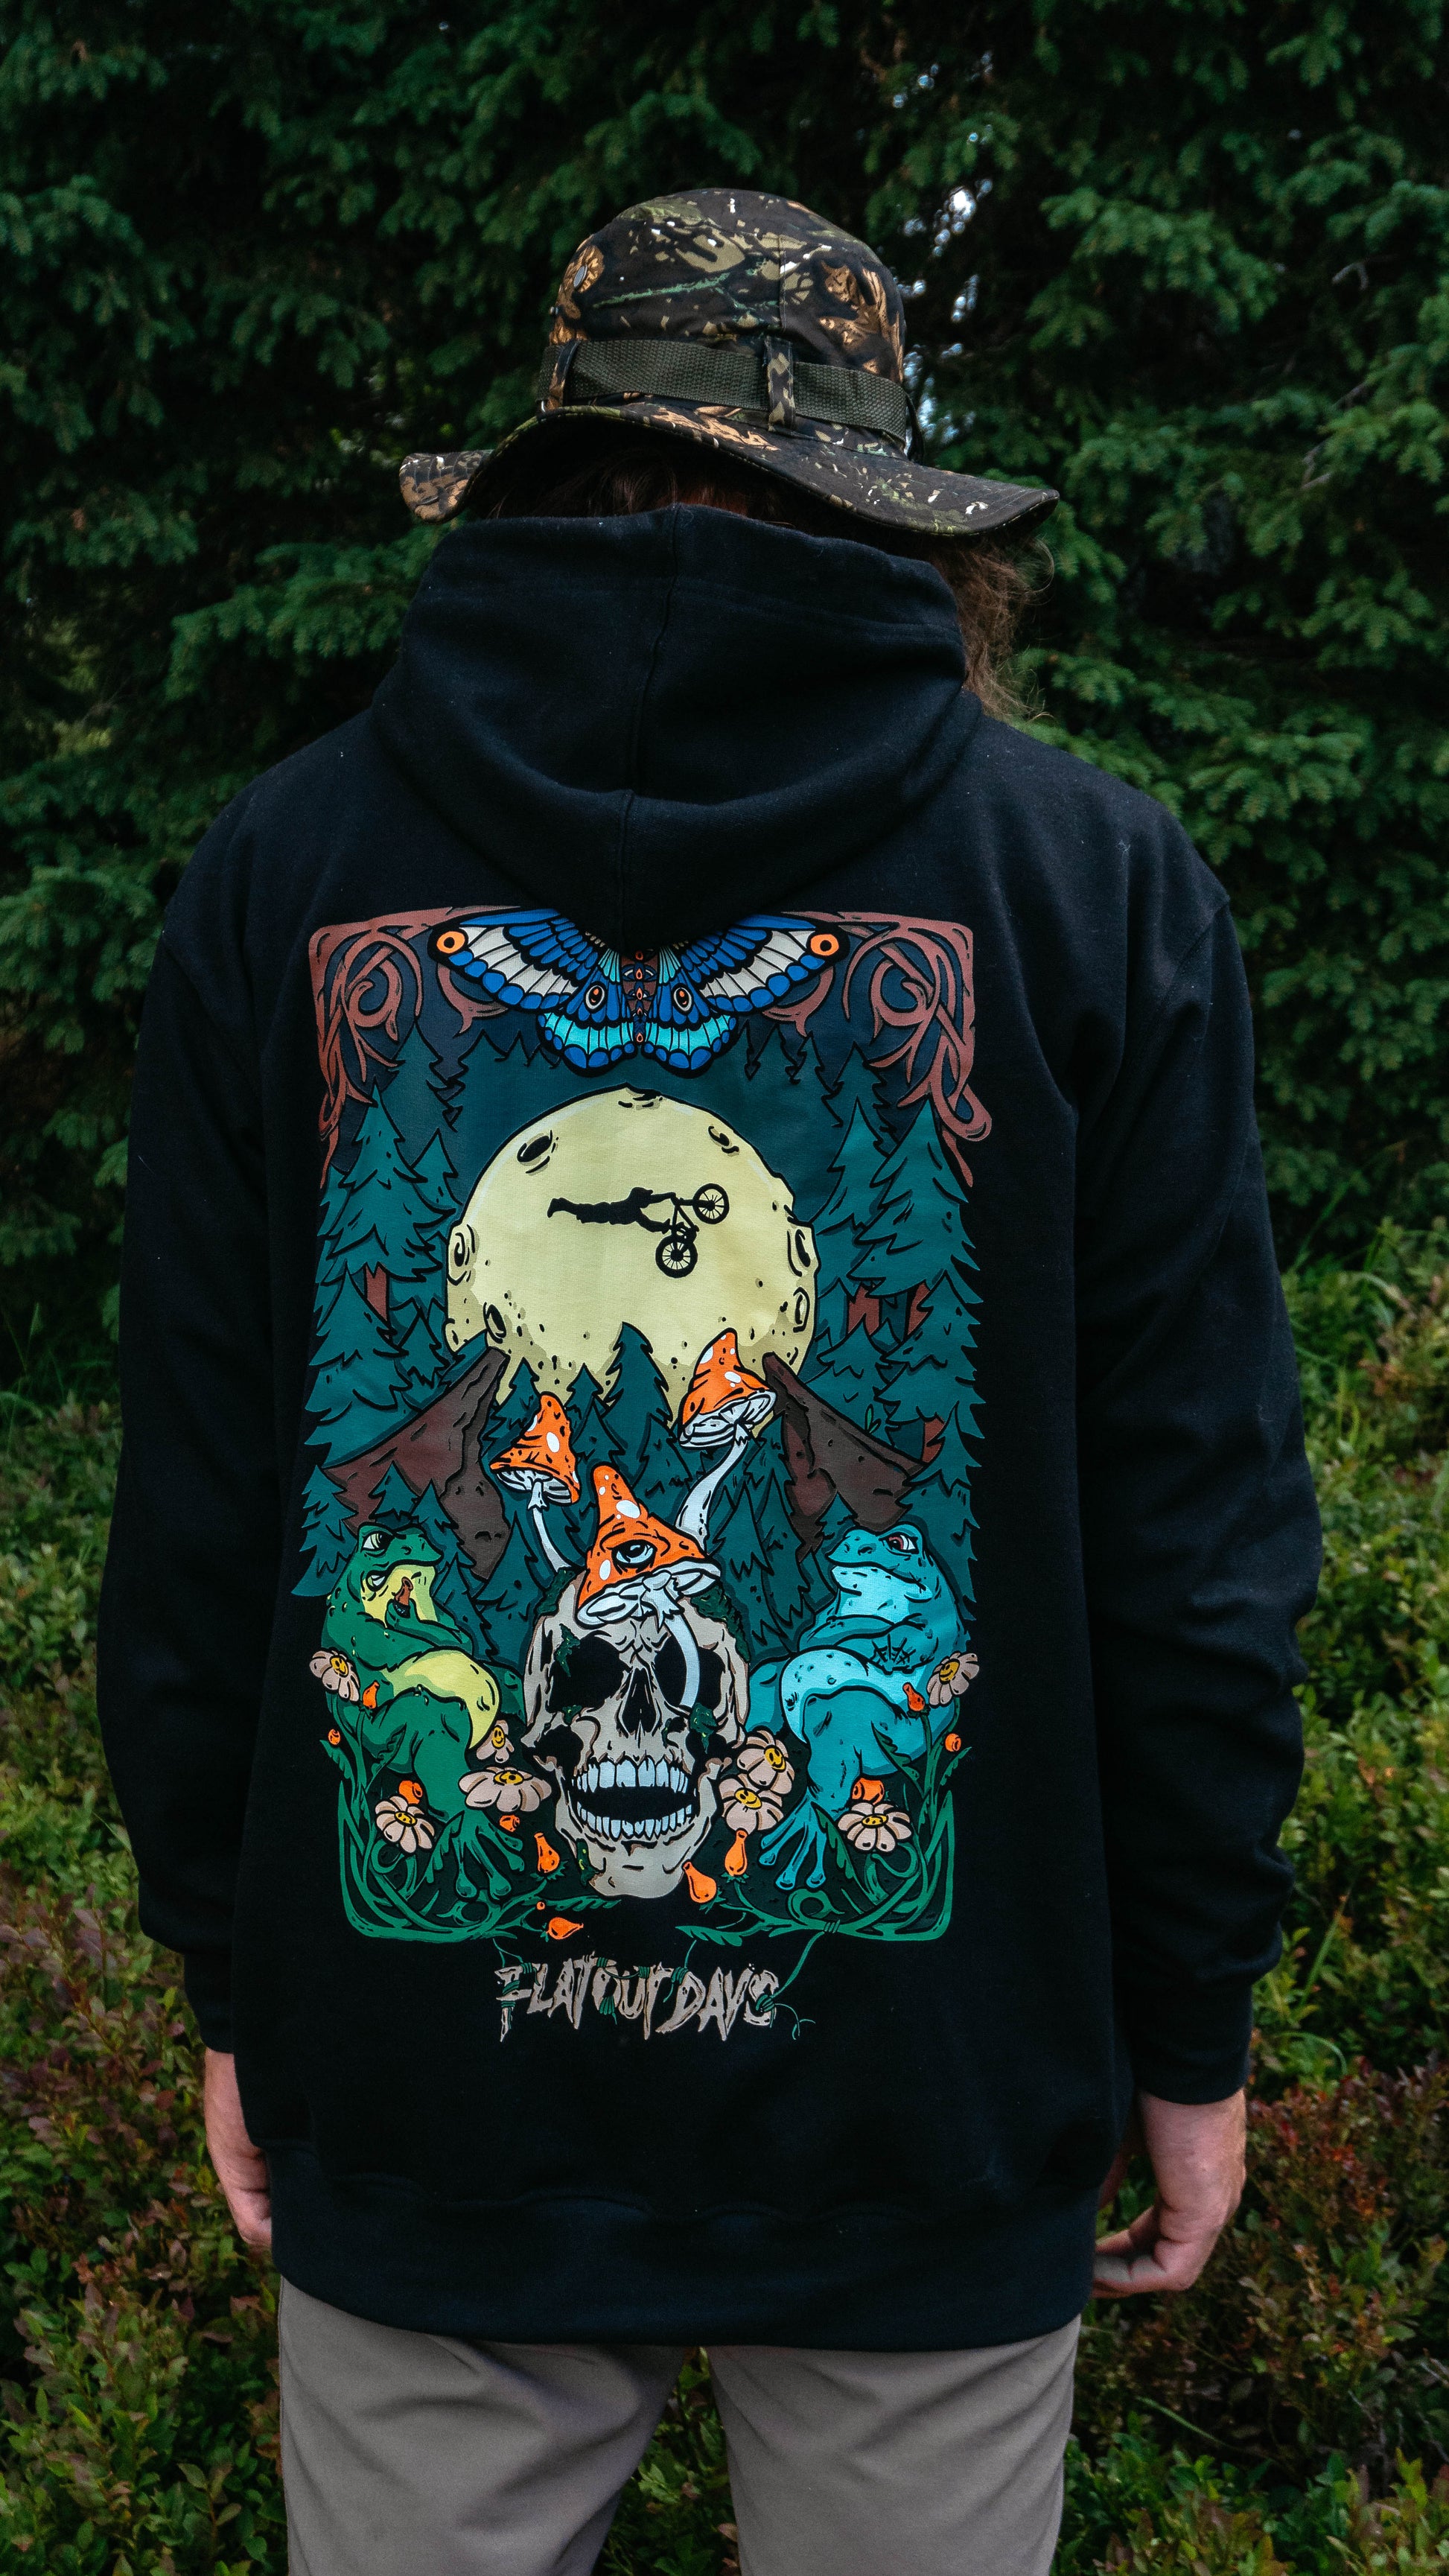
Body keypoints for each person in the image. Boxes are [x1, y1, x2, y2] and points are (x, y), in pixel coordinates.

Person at [98, 187, 1321, 2576]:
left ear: (548, 465)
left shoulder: (283, 869)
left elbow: (206, 1498)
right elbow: (1195, 1543)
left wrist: (230, 1969)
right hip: (930, 2095)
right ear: (882, 500)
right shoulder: (1086, 882)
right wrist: (1190, 2022)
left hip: (424, 2078)